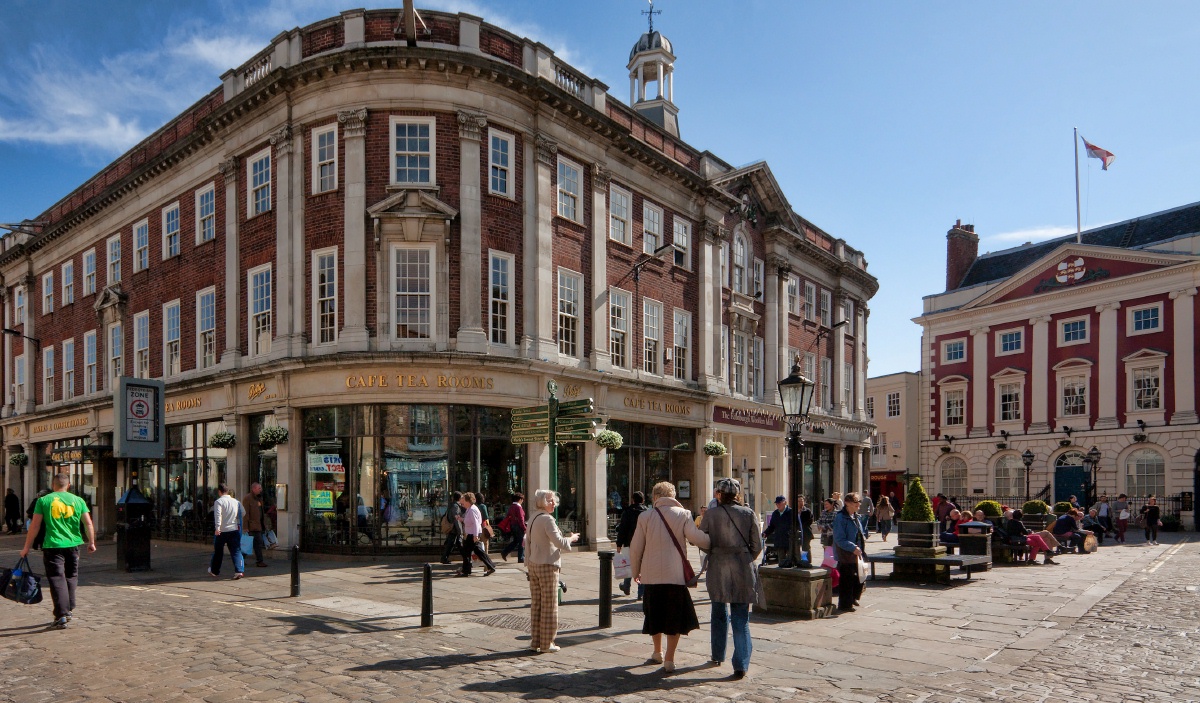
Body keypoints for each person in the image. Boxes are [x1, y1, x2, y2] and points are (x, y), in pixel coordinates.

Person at [629, 481, 711, 674]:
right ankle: (669, 660)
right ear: (673, 496)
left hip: (650, 576)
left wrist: (635, 572)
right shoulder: (683, 514)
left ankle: (657, 651)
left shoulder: (645, 516)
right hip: (675, 576)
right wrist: (713, 540)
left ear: (655, 497)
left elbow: (635, 548)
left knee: (654, 615)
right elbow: (696, 538)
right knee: (674, 618)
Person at [699, 478, 762, 681]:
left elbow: (702, 541)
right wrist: (745, 557)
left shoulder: (711, 514)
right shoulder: (748, 513)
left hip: (718, 566)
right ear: (737, 495)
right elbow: (757, 545)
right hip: (742, 567)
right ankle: (741, 664)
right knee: (740, 617)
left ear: (719, 494)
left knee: (718, 612)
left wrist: (716, 551)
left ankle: (718, 654)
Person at [19, 474, 95, 628]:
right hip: (73, 544)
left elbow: (35, 526)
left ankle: (61, 614)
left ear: (53, 485)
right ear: (68, 485)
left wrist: (26, 547)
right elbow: (88, 524)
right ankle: (69, 608)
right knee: (71, 576)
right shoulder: (78, 500)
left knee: (56, 578)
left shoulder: (43, 500)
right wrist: (91, 542)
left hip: (53, 545)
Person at [525, 489, 579, 654]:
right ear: (542, 502)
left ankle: (536, 642)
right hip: (547, 565)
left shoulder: (533, 517)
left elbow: (527, 541)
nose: (554, 503)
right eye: (550, 500)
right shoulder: (547, 520)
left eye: (554, 500)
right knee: (549, 605)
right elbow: (560, 542)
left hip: (534, 564)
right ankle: (547, 643)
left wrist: (527, 561)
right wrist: (572, 538)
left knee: (537, 605)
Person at [833, 492, 867, 613]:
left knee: (860, 577)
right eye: (855, 502)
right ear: (847, 503)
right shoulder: (840, 518)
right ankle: (845, 604)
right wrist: (853, 547)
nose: (858, 504)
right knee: (847, 579)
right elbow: (839, 538)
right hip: (846, 554)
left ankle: (853, 598)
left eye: (859, 502)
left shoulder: (856, 516)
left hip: (857, 553)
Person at [455, 492, 496, 576]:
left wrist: (475, 535)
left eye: (463, 501)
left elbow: (476, 523)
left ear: (467, 501)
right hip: (472, 534)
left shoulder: (472, 509)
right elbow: (469, 521)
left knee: (468, 552)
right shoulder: (470, 509)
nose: (462, 503)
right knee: (477, 552)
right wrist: (461, 519)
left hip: (472, 534)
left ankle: (466, 571)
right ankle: (490, 566)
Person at [209, 483, 244, 579]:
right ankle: (239, 571)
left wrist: (217, 528)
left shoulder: (219, 502)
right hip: (233, 529)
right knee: (236, 550)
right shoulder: (236, 502)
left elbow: (218, 515)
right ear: (227, 491)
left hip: (222, 530)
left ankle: (215, 571)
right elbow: (242, 513)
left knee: (218, 552)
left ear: (219, 492)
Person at [615, 491, 647, 597]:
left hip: (629, 543)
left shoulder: (627, 512)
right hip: (643, 543)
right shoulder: (647, 512)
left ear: (633, 500)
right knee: (642, 567)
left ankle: (626, 586)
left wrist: (619, 544)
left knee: (629, 565)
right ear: (643, 500)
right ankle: (641, 592)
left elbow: (622, 529)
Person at [761, 496, 793, 567]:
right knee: (781, 562)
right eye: (777, 504)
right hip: (779, 541)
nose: (778, 505)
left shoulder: (791, 512)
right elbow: (772, 526)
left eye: (780, 503)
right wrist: (765, 533)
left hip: (789, 541)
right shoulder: (775, 513)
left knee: (790, 562)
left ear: (785, 503)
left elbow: (796, 525)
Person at [242, 482, 268, 568]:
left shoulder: (259, 498)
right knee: (249, 544)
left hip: (259, 525)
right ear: (253, 489)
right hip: (252, 526)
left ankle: (258, 561)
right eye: (259, 488)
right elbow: (245, 514)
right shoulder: (247, 498)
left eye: (260, 488)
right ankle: (242, 559)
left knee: (257, 543)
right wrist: (245, 527)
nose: (260, 490)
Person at [500, 492, 527, 563]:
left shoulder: (511, 507)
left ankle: (505, 552)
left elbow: (508, 516)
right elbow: (521, 519)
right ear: (520, 499)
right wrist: (524, 528)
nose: (523, 501)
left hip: (512, 525)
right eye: (522, 499)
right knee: (521, 542)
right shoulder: (519, 507)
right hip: (518, 526)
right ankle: (521, 557)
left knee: (515, 541)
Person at [440, 491, 464, 564]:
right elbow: (456, 519)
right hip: (454, 528)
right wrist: (460, 531)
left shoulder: (452, 505)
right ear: (459, 498)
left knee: (453, 543)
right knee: (455, 543)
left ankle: (444, 558)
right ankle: (465, 557)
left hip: (452, 528)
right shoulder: (455, 507)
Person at [797, 495, 815, 564]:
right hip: (797, 533)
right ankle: (798, 560)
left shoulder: (807, 511)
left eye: (802, 501)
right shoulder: (793, 511)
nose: (800, 502)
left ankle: (806, 561)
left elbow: (810, 521)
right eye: (798, 501)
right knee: (797, 547)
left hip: (806, 532)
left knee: (806, 547)